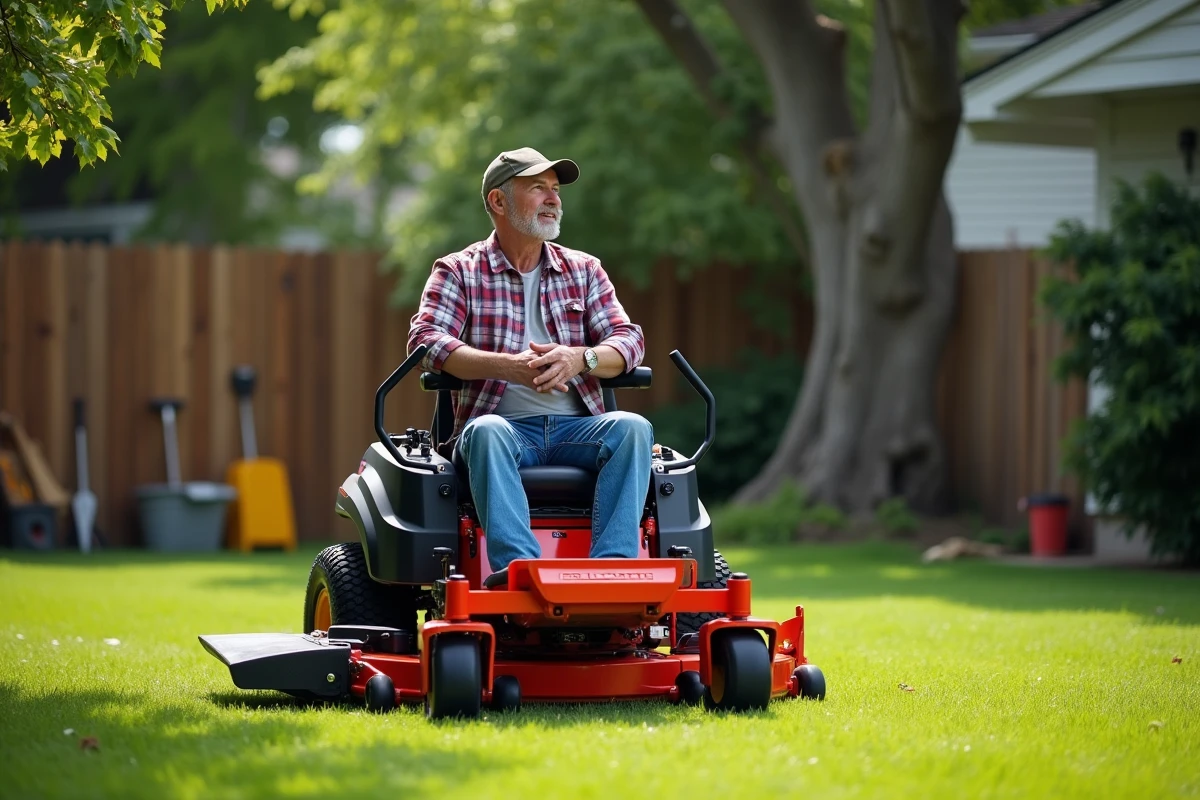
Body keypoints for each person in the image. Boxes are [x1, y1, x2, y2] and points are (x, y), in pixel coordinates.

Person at [407, 147, 653, 587]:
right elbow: (427, 341)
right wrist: (507, 367)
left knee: (633, 427)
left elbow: (629, 340)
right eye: (538, 188)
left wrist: (583, 357)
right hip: (501, 429)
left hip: (580, 431)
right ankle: (517, 574)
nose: (553, 198)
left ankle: (611, 573)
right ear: (498, 202)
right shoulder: (459, 271)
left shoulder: (584, 270)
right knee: (486, 431)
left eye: (555, 189)